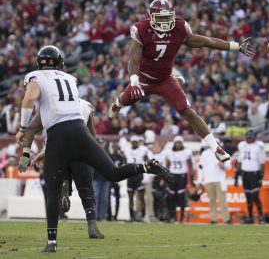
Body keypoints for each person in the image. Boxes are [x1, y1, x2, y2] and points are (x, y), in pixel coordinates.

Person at [15, 45, 174, 253]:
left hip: (58, 136)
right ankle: (146, 166)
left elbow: (30, 98)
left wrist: (22, 128)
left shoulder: (35, 76)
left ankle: (52, 243)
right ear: (60, 63)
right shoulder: (70, 79)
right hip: (81, 132)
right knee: (113, 173)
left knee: (52, 192)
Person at [109, 0, 256, 163]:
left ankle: (216, 147)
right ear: (150, 17)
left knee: (187, 110)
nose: (165, 22)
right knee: (123, 101)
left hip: (165, 79)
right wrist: (134, 80)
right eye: (161, 18)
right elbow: (133, 58)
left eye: (167, 17)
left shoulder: (179, 27)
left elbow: (206, 41)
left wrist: (236, 46)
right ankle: (116, 105)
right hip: (143, 79)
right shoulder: (141, 29)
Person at [18, 98, 104, 238]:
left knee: (53, 190)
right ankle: (92, 226)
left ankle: (64, 185)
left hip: (56, 148)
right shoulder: (85, 105)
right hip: (81, 145)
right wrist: (94, 156)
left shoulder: (52, 104)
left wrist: (27, 153)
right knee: (86, 190)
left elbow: (32, 128)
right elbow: (92, 134)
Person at [234, 129, 266, 224]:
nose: (249, 139)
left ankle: (261, 217)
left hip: (254, 174)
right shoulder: (242, 146)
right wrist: (236, 176)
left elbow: (262, 163)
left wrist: (261, 177)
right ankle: (250, 217)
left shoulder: (258, 146)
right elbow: (239, 161)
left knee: (255, 196)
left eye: (251, 138)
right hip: (245, 174)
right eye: (248, 137)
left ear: (255, 138)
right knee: (248, 196)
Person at [197, 141, 231, 224]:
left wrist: (223, 165)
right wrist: (199, 180)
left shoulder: (223, 153)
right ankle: (213, 219)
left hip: (220, 180)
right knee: (212, 200)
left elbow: (229, 166)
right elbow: (201, 167)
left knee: (222, 200)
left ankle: (226, 219)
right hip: (208, 180)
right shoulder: (205, 153)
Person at [164, 136, 194, 223]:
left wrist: (191, 177)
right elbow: (167, 165)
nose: (178, 144)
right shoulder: (169, 152)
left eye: (180, 142)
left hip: (182, 175)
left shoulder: (186, 152)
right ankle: (172, 216)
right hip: (172, 175)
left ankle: (181, 217)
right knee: (171, 197)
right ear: (174, 143)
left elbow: (190, 164)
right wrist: (165, 176)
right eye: (177, 142)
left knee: (181, 197)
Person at [122, 135, 148, 221]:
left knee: (141, 197)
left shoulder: (143, 150)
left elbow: (147, 163)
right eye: (133, 142)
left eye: (136, 142)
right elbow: (125, 163)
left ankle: (143, 216)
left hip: (139, 176)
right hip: (130, 175)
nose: (134, 143)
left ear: (138, 142)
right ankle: (131, 216)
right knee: (130, 197)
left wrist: (146, 176)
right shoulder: (127, 150)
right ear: (131, 142)